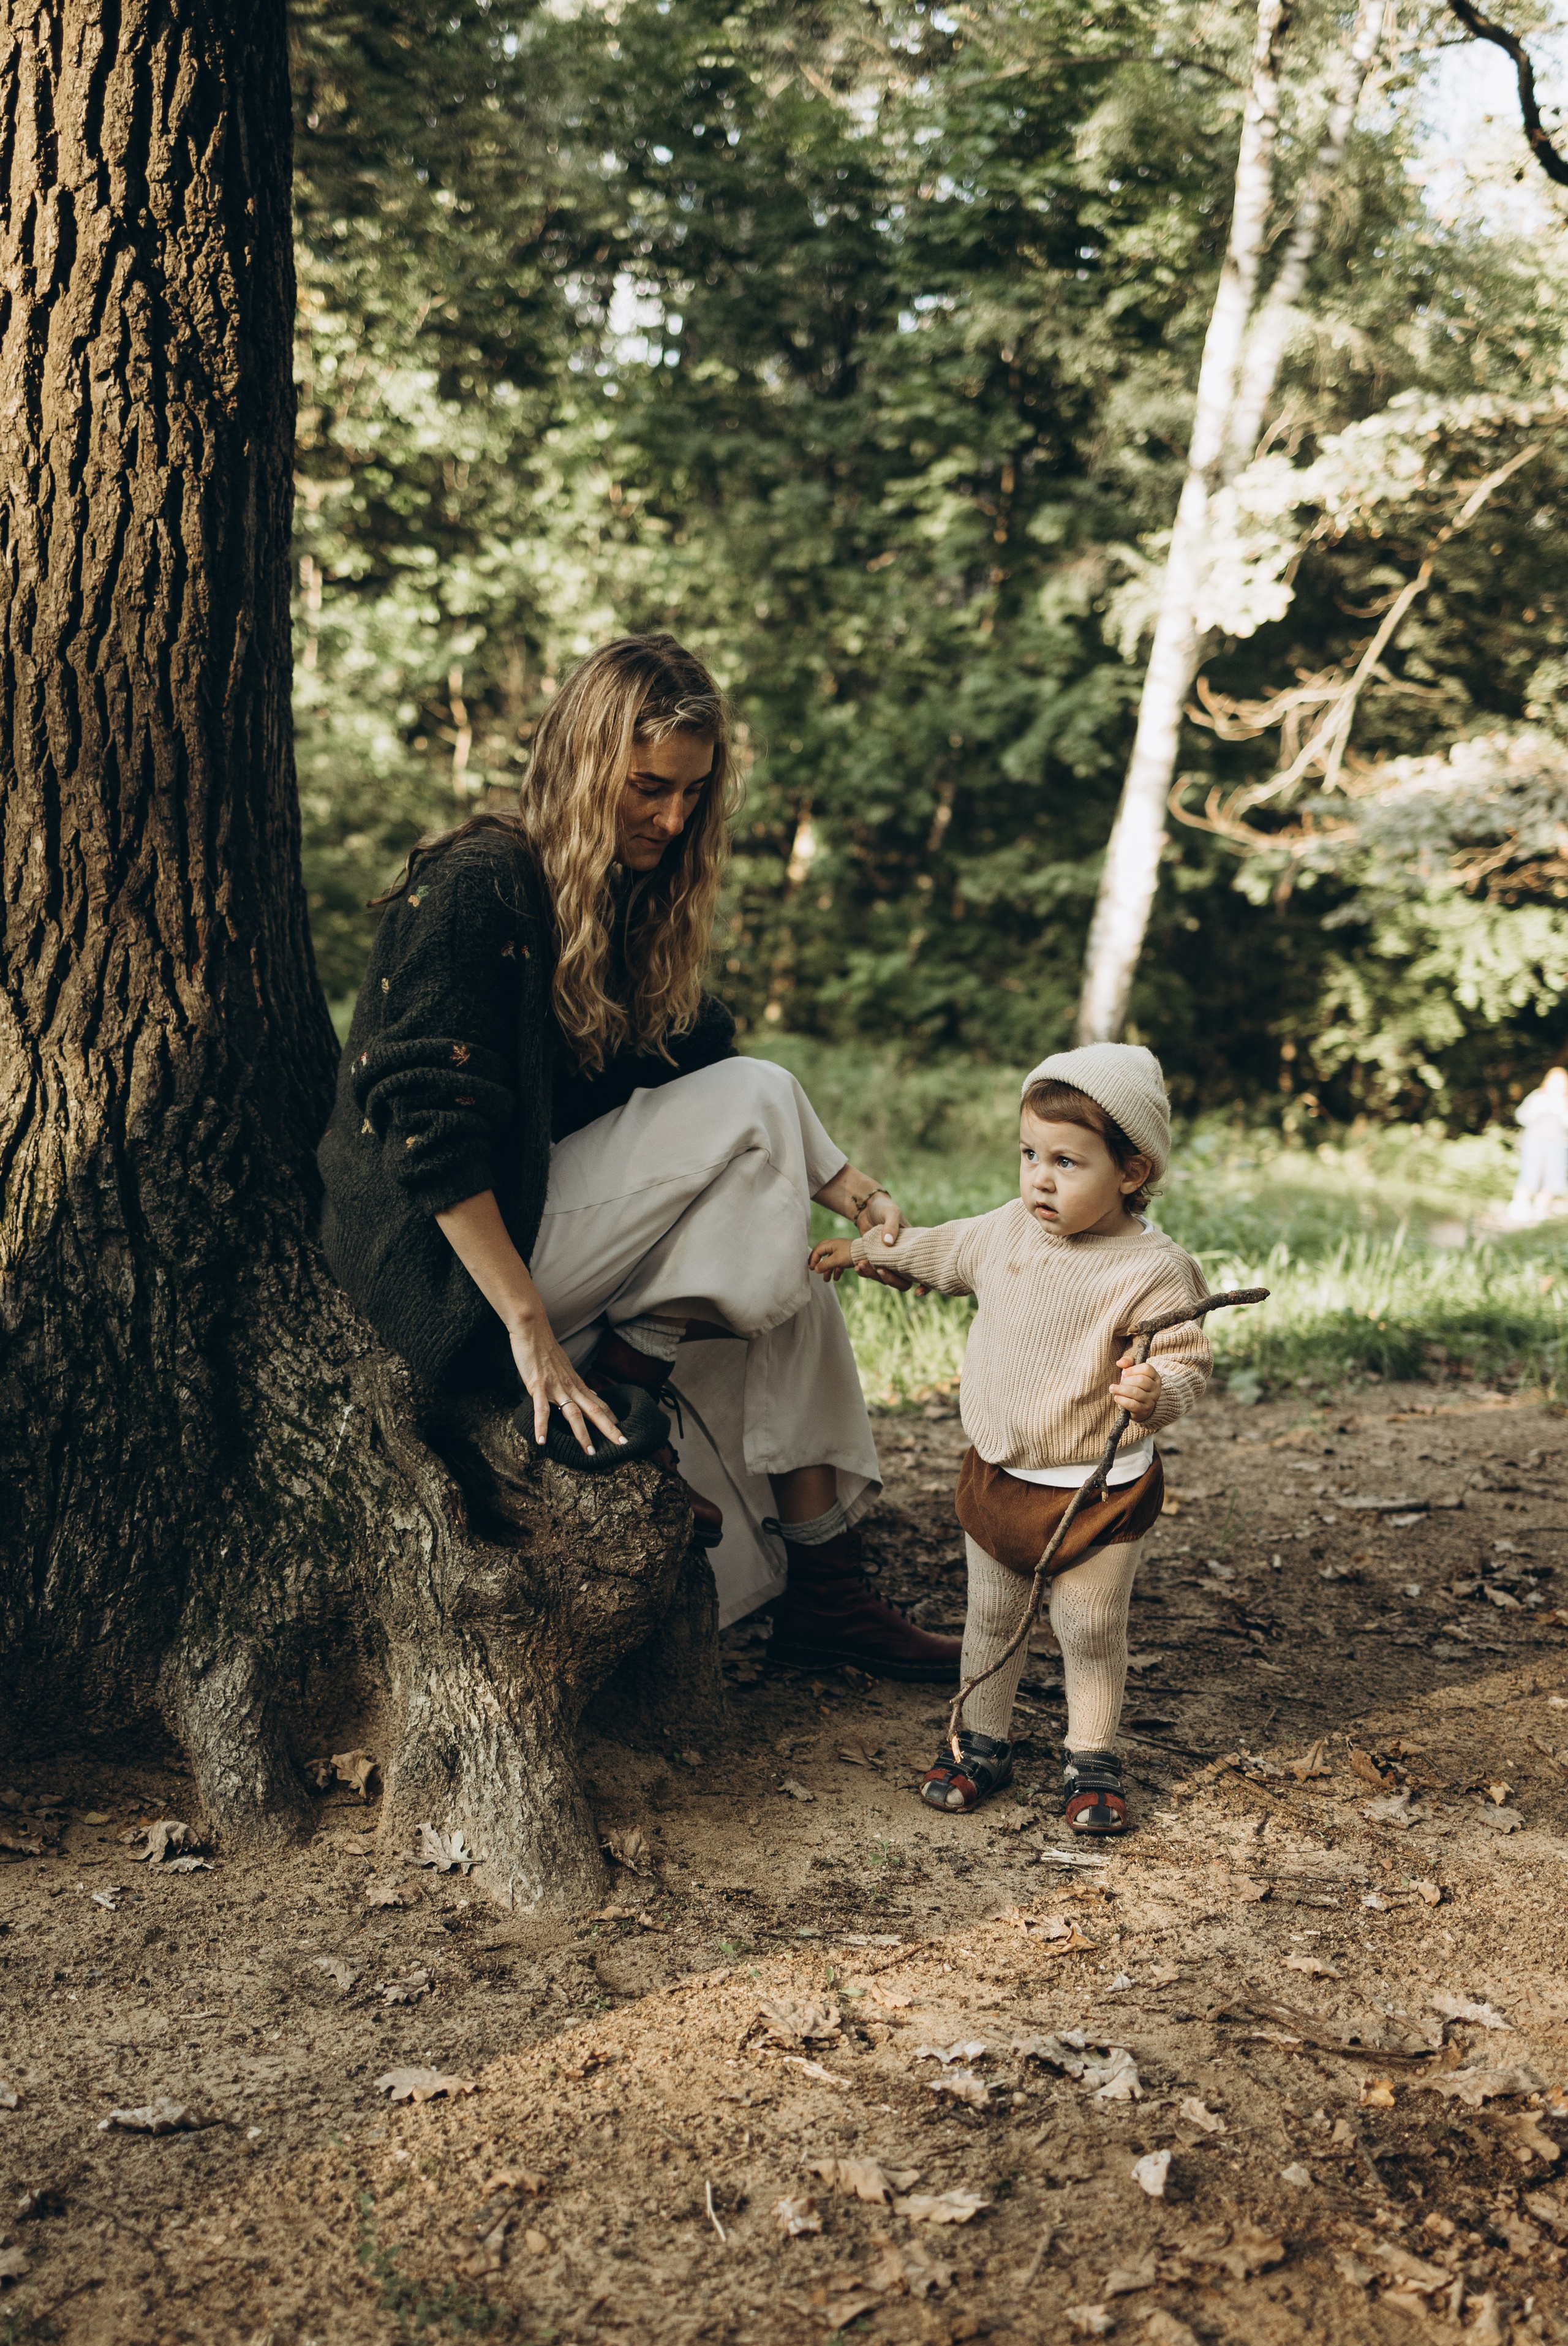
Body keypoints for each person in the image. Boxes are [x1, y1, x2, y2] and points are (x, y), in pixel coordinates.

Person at [317, 633, 960, 1681]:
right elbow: (428, 1136)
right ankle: (634, 1367)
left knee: (799, 1282)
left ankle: (827, 1590)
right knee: (758, 1099)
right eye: (647, 788)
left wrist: (846, 1195)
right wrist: (530, 1330)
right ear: (581, 767)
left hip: (537, 1237)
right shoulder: (476, 886)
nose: (670, 819)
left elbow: (694, 1049)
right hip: (446, 1279)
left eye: (692, 795)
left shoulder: (618, 898)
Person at [809, 1044, 1210, 1830]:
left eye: (1068, 1161)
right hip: (999, 1475)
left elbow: (1185, 1356)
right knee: (990, 1618)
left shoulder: (1154, 1270)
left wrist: (1156, 1389)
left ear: (1131, 1173)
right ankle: (979, 1742)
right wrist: (864, 1251)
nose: (1040, 1177)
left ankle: (1090, 1757)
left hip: (1098, 1490)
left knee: (1088, 1627)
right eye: (1029, 1154)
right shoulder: (1003, 1233)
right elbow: (940, 1249)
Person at [1509, 1066, 1568, 1223]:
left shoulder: (1566, 1102)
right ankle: (1520, 1206)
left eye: (1561, 1083)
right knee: (1529, 1173)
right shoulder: (1538, 1096)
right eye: (1554, 1081)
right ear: (1547, 1082)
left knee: (1552, 1178)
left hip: (1559, 1146)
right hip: (1534, 1143)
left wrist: (1563, 1114)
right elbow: (1521, 1116)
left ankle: (1541, 1209)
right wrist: (1536, 1111)